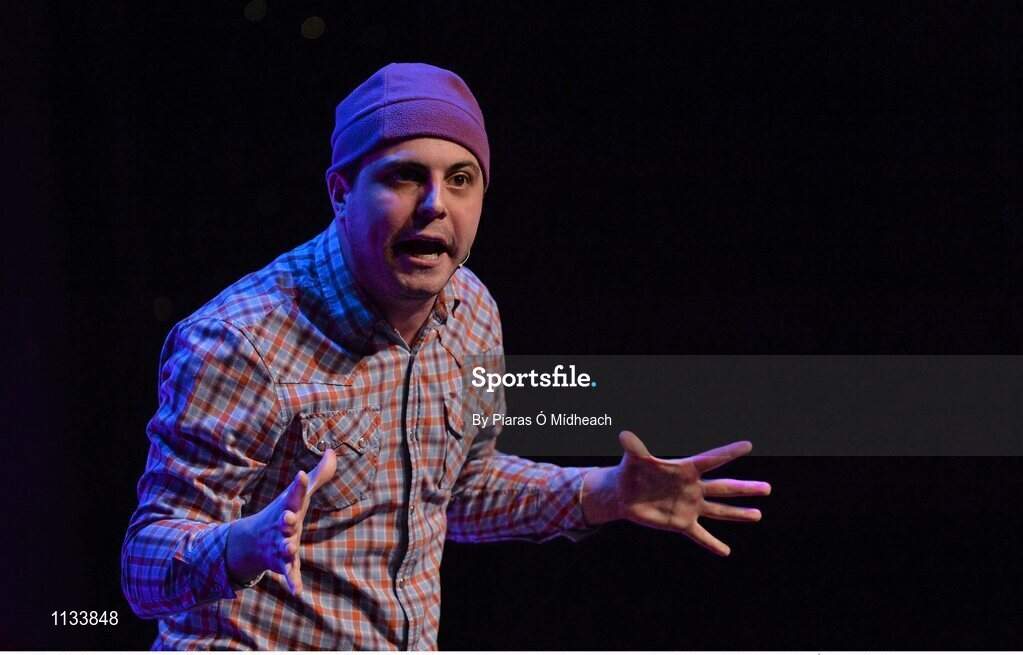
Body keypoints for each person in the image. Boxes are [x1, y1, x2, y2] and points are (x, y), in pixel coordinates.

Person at [121, 62, 771, 650]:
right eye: (405, 176)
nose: (435, 205)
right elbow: (144, 569)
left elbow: (459, 493)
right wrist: (241, 545)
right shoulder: (241, 340)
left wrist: (603, 493)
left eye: (460, 180)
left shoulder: (472, 311)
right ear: (341, 191)